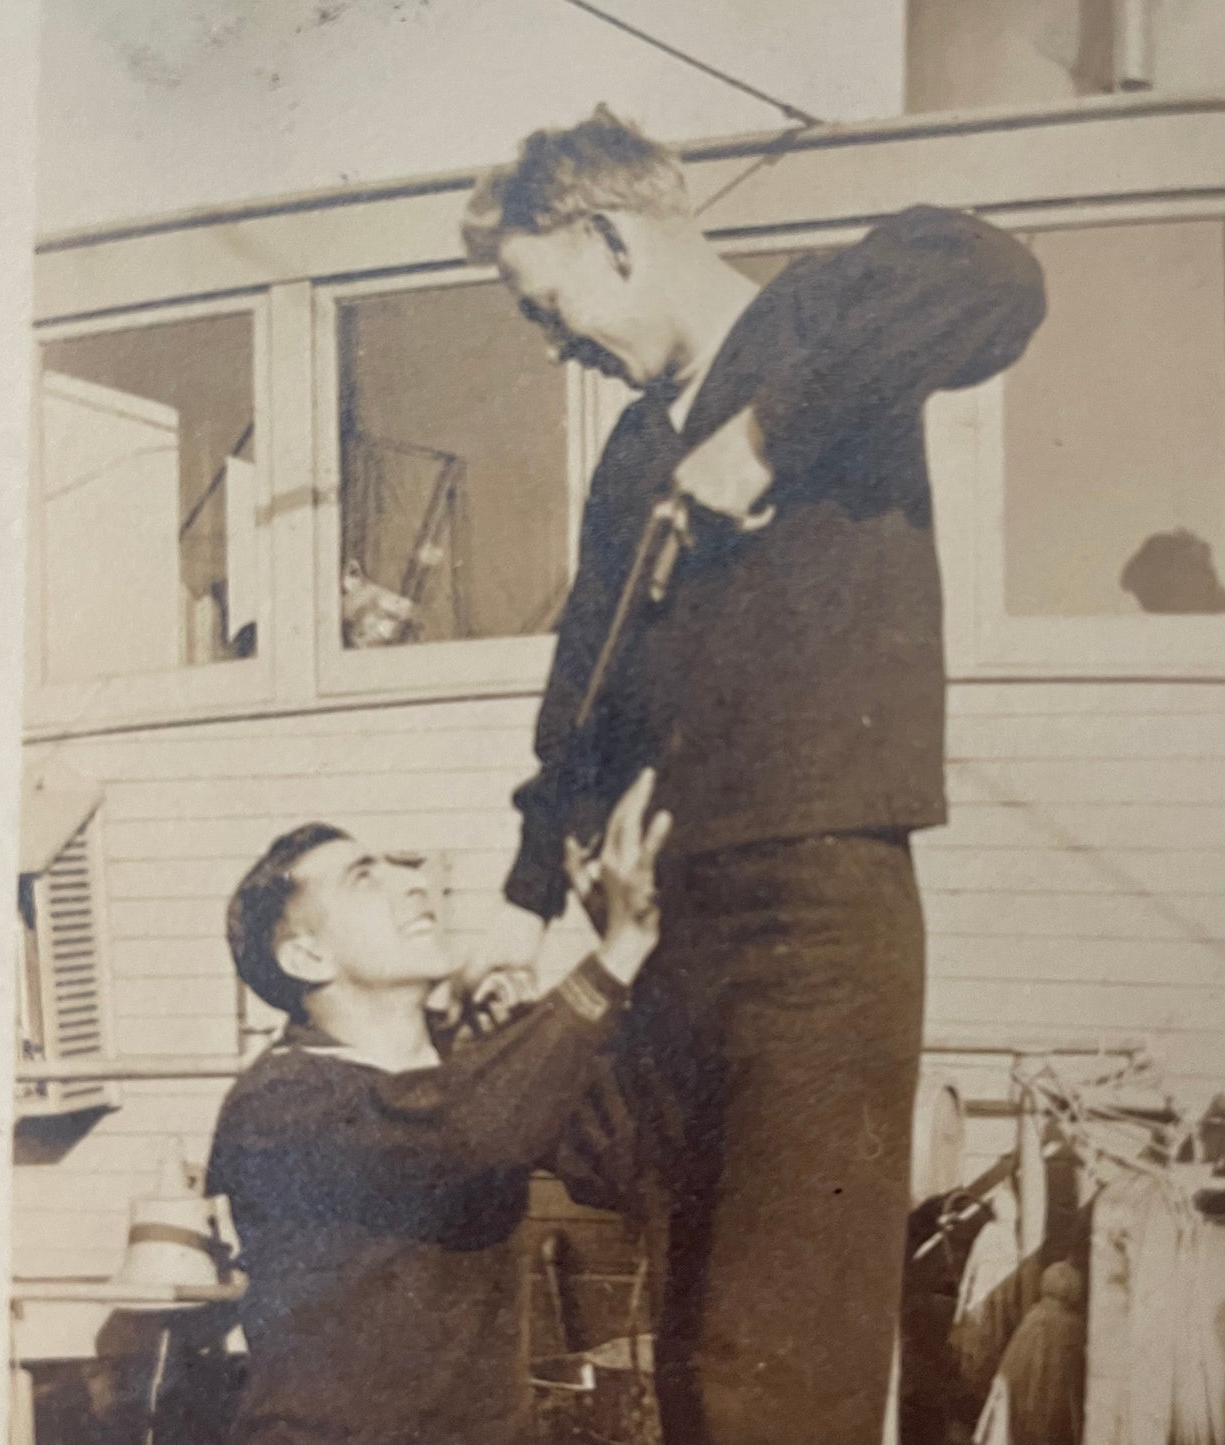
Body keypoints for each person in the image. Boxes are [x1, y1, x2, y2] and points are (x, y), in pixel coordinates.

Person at [461, 107, 1047, 1445]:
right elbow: (586, 700)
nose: (555, 344)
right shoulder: (627, 453)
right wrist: (517, 903)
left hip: (812, 914)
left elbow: (993, 280)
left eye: (547, 307)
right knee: (689, 1351)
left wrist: (766, 434)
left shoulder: (811, 323)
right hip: (672, 934)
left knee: (780, 1353)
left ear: (611, 238)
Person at [205, 769, 670, 1445]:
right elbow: (464, 1130)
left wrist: (618, 961)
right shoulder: (278, 1101)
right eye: (365, 878)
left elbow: (623, 1165)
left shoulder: (468, 1071)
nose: (413, 882)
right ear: (306, 954)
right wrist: (615, 954)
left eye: (399, 867)